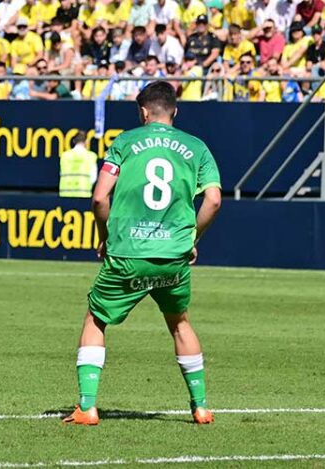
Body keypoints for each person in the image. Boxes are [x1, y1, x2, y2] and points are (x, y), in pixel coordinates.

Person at [63, 81, 222, 426]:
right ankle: (201, 407)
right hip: (173, 255)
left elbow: (99, 198)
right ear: (174, 111)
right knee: (179, 323)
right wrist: (191, 237)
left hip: (128, 251)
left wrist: (104, 237)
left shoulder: (124, 142)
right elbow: (213, 200)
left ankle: (87, 407)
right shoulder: (197, 147)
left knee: (96, 319)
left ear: (143, 112)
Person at [59, 130, 98, 197]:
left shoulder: (64, 156)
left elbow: (61, 173)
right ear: (86, 141)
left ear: (74, 141)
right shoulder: (91, 156)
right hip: (83, 195)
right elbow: (93, 178)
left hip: (65, 195)